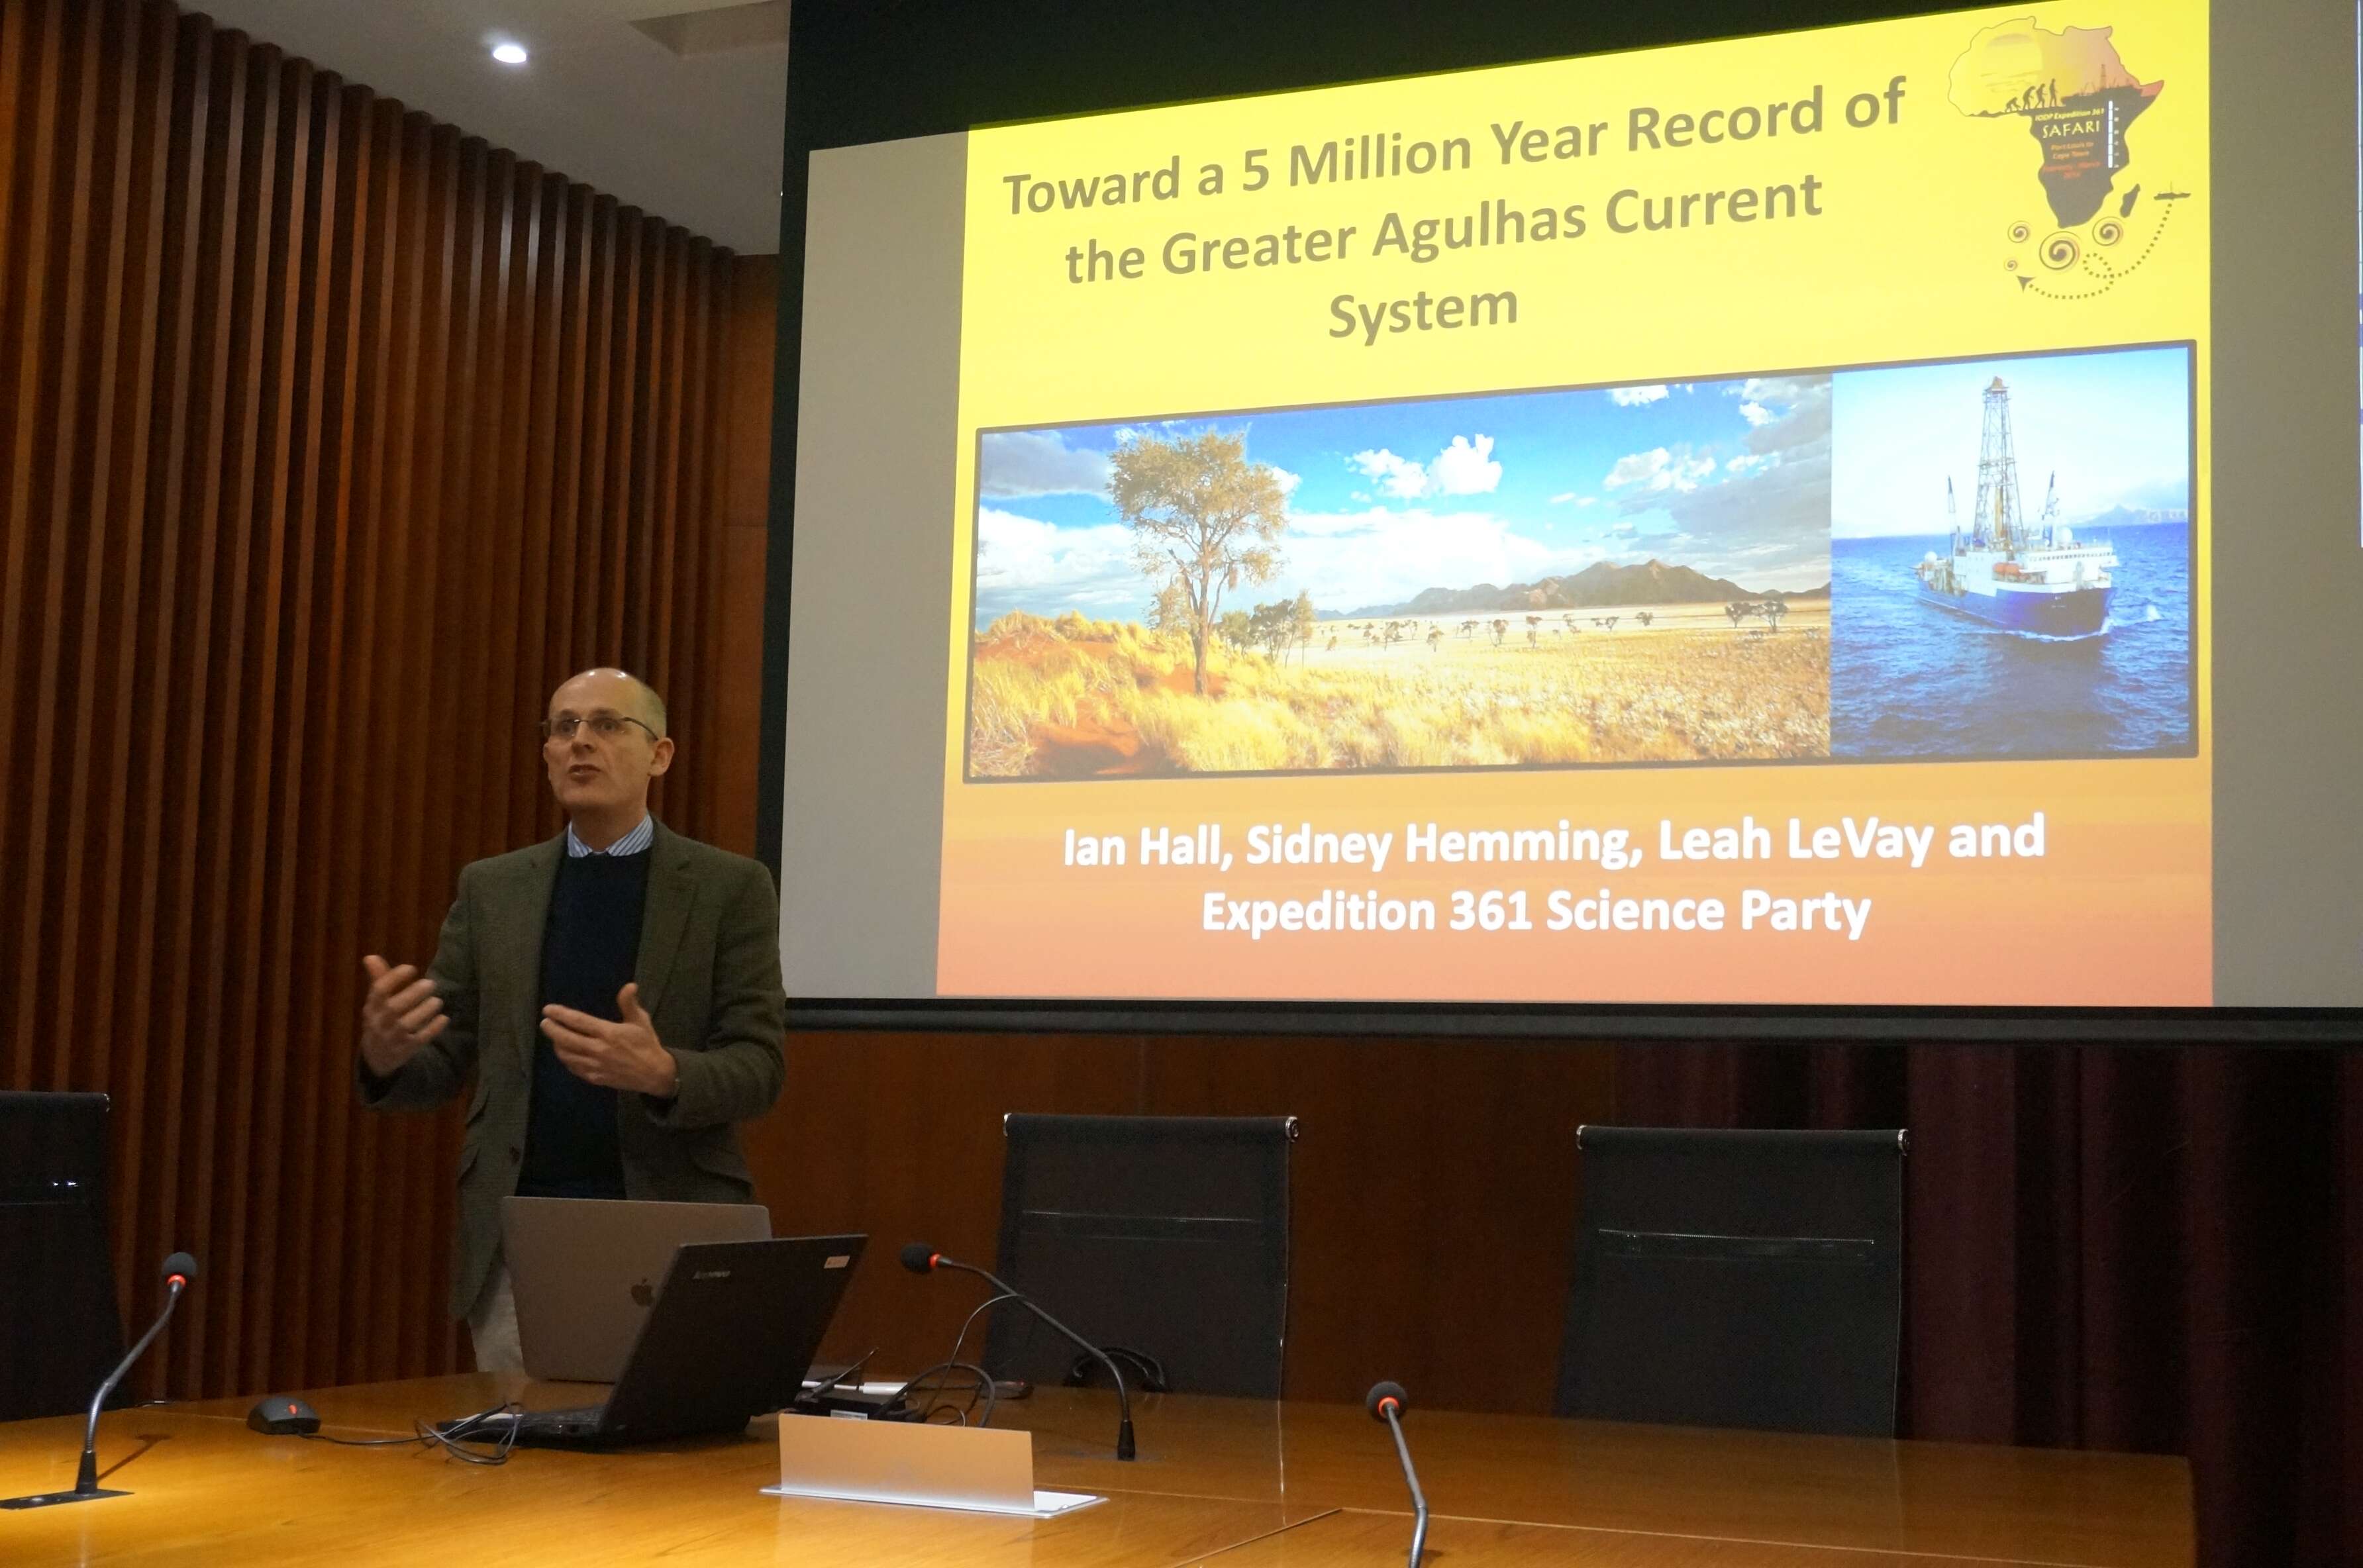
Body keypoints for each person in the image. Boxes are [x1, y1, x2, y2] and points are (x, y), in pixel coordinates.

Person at [356, 667, 786, 1370]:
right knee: (523, 1437)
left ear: (660, 755)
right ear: (548, 753)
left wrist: (665, 1073)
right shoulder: (493, 889)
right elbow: (443, 1061)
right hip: (522, 1236)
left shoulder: (728, 888)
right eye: (564, 727)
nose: (581, 741)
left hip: (674, 1224)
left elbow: (760, 1067)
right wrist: (387, 1056)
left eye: (607, 725)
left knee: (681, 1436)